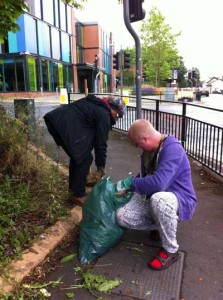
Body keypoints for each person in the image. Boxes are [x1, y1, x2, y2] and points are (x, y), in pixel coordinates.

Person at [114, 119, 197, 270]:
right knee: (121, 216)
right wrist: (128, 187)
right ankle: (161, 225)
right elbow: (147, 176)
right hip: (156, 196)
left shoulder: (173, 149)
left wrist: (131, 183)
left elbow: (159, 183)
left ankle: (171, 250)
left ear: (145, 139)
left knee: (159, 200)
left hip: (179, 197)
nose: (137, 147)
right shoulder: (150, 151)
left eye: (137, 144)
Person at [44, 94, 124, 206]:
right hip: (61, 125)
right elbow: (100, 143)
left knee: (79, 156)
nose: (117, 117)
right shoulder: (104, 114)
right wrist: (101, 167)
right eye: (117, 114)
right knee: (85, 158)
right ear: (112, 108)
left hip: (57, 122)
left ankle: (74, 191)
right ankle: (77, 194)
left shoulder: (96, 105)